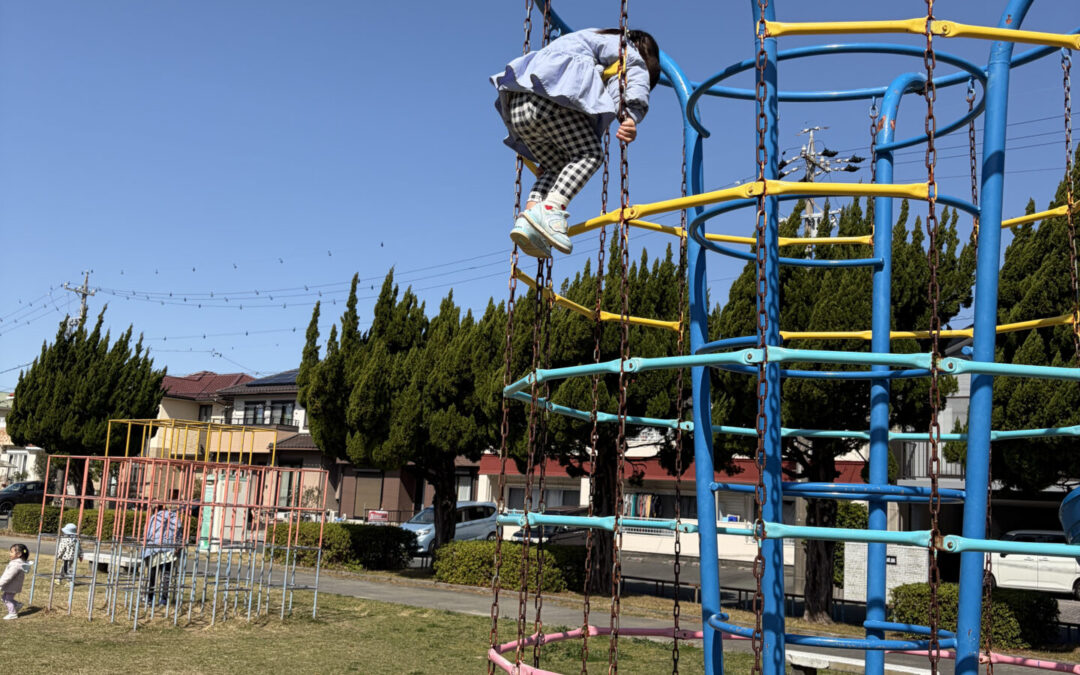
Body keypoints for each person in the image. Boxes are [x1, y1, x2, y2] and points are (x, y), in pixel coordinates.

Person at [492, 28, 661, 258]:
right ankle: (552, 210)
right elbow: (630, 77)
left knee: (557, 167)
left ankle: (529, 217)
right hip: (551, 103)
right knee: (591, 154)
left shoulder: (582, 40)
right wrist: (630, 115)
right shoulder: (625, 48)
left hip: (517, 108)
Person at [142, 504, 181, 607]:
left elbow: (146, 533)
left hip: (154, 549)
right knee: (166, 576)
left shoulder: (153, 518)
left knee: (152, 576)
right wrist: (177, 547)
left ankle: (149, 599)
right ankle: (163, 600)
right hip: (169, 550)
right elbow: (179, 534)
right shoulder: (175, 517)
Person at [0, 543, 31, 620]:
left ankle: (12, 613)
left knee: (7, 599)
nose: (9, 553)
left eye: (11, 552)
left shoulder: (16, 565)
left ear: (19, 554)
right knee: (4, 597)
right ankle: (17, 605)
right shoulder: (16, 563)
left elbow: (8, 576)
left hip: (12, 586)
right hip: (11, 585)